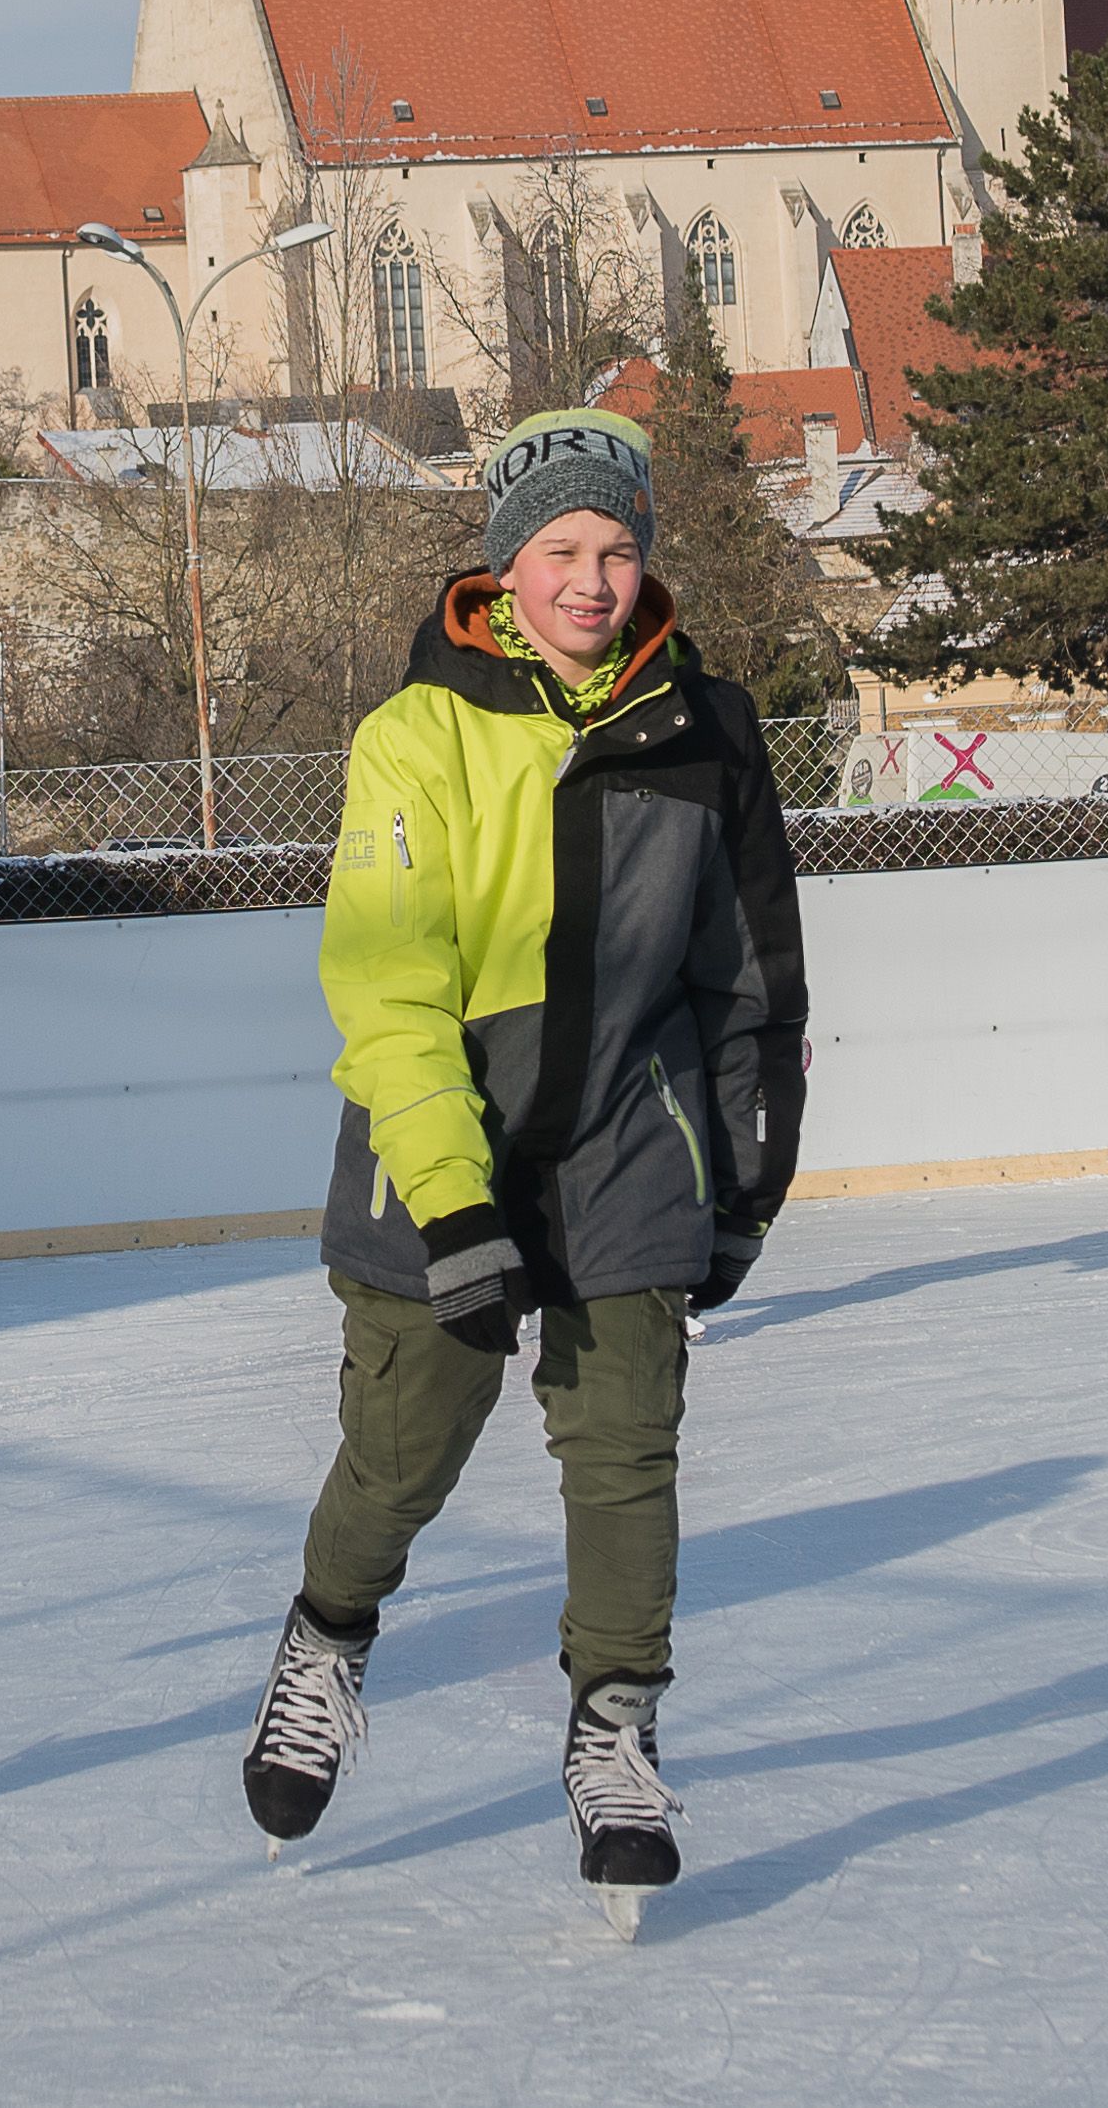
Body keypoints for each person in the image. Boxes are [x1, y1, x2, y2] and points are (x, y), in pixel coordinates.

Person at [238, 409, 808, 1934]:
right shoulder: (415, 736)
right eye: (561, 548)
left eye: (618, 547)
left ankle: (615, 1725)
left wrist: (746, 1177)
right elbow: (388, 985)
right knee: (404, 1450)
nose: (593, 578)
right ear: (503, 569)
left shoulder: (706, 729)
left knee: (628, 1440)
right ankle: (329, 1632)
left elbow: (750, 978)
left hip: (629, 1133)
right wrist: (458, 1199)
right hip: (443, 1146)